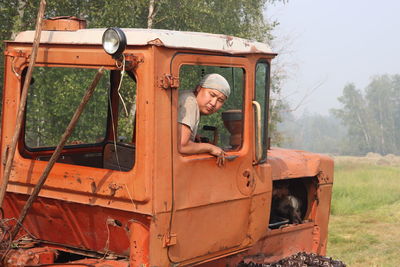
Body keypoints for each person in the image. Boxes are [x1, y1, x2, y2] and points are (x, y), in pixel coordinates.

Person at [178, 73, 230, 166]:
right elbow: (182, 146)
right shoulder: (190, 103)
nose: (213, 103)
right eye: (212, 95)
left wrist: (192, 135)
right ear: (199, 88)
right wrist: (210, 148)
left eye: (220, 100)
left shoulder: (187, 96)